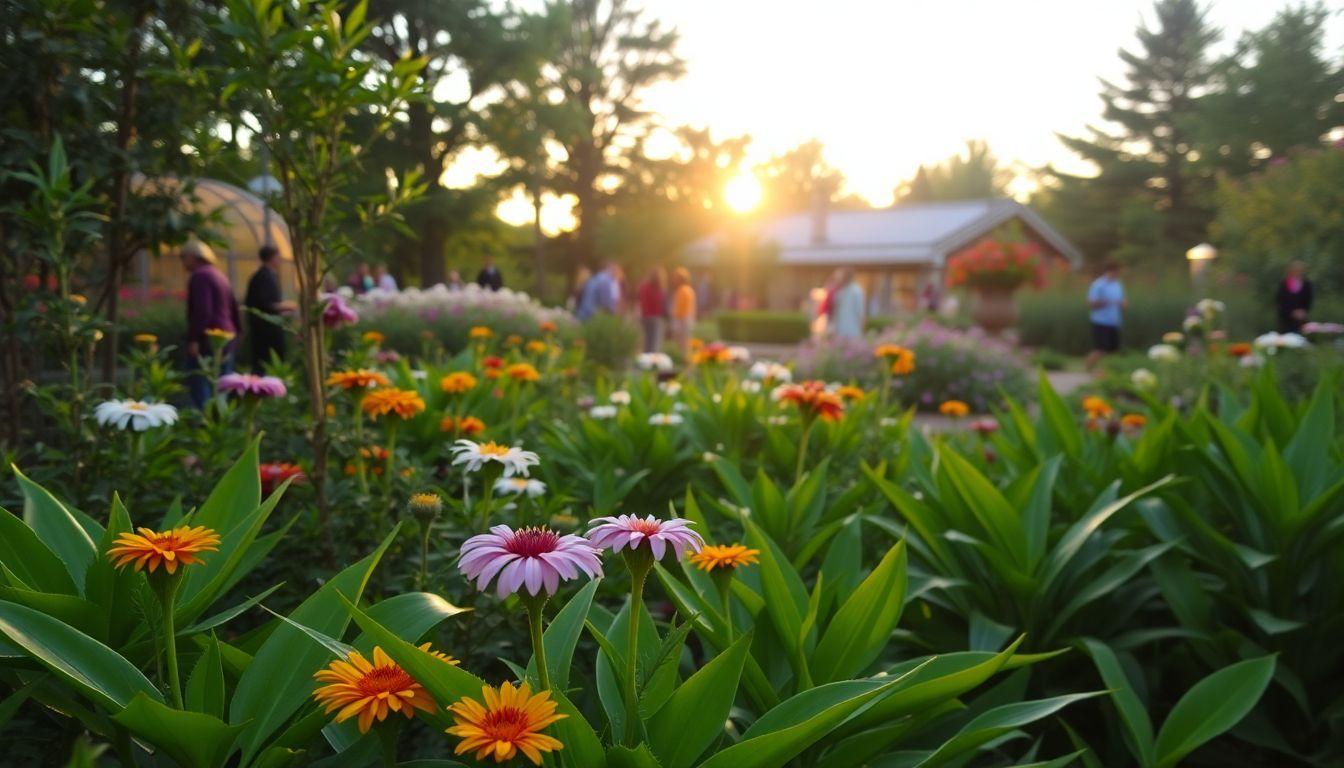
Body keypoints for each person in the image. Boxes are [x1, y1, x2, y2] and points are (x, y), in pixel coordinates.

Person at [182, 241, 241, 408]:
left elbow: (203, 311)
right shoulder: (219, 275)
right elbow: (233, 307)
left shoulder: (200, 276)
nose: (183, 263)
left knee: (199, 380)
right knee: (223, 383)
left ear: (195, 257)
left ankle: (205, 421)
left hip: (209, 338)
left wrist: (194, 339)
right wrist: (237, 333)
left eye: (184, 257)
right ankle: (221, 420)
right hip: (227, 335)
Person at [244, 245, 294, 371]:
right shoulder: (264, 277)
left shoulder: (266, 276)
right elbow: (266, 304)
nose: (280, 260)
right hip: (266, 331)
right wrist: (286, 306)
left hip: (265, 329)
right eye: (278, 257)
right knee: (267, 363)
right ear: (271, 258)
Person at [1086, 262, 1126, 369]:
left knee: (1113, 350)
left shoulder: (1117, 284)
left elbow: (1123, 301)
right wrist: (1104, 302)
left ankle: (1107, 371)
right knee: (1100, 349)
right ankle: (1087, 368)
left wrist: (1122, 304)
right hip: (1100, 321)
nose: (1117, 274)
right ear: (1110, 271)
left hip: (1114, 321)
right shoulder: (1098, 284)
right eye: (1115, 272)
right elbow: (1091, 303)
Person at [1275, 261, 1313, 333]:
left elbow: (1309, 300)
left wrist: (1303, 311)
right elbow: (1280, 301)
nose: (1297, 273)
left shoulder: (1306, 284)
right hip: (1286, 318)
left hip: (1301, 318)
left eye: (1299, 271)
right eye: (1295, 271)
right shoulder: (1284, 284)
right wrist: (1291, 312)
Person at [637, 267, 667, 353]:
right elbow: (662, 304)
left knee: (646, 342)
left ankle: (646, 360)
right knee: (655, 343)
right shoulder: (659, 288)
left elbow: (639, 299)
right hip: (656, 318)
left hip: (645, 316)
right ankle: (653, 362)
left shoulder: (644, 286)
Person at [669, 267, 697, 359]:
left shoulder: (682, 290)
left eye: (676, 278)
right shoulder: (689, 290)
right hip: (687, 319)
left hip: (682, 320)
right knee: (685, 343)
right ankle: (685, 360)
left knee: (682, 343)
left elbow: (681, 308)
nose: (674, 280)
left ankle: (683, 360)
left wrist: (677, 323)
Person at [830, 268, 865, 338]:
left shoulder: (855, 291)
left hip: (851, 331)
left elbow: (860, 312)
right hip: (843, 330)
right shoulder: (841, 291)